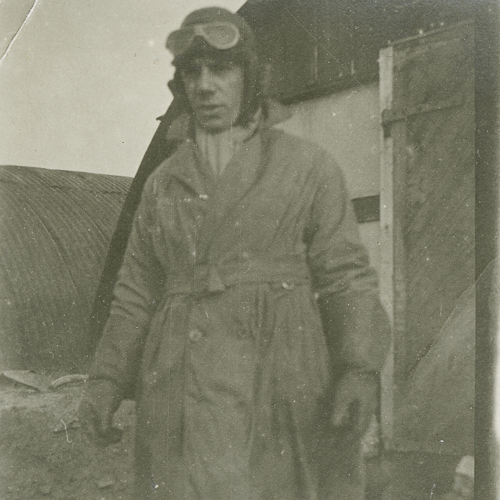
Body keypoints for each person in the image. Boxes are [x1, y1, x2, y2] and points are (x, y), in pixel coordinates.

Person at [79, 7, 391, 499]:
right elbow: (135, 291)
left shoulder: (308, 168)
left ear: (250, 77)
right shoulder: (163, 184)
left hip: (280, 377)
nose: (205, 85)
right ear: (181, 83)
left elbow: (345, 277)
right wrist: (106, 380)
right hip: (178, 386)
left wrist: (359, 368)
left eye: (221, 69)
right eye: (192, 70)